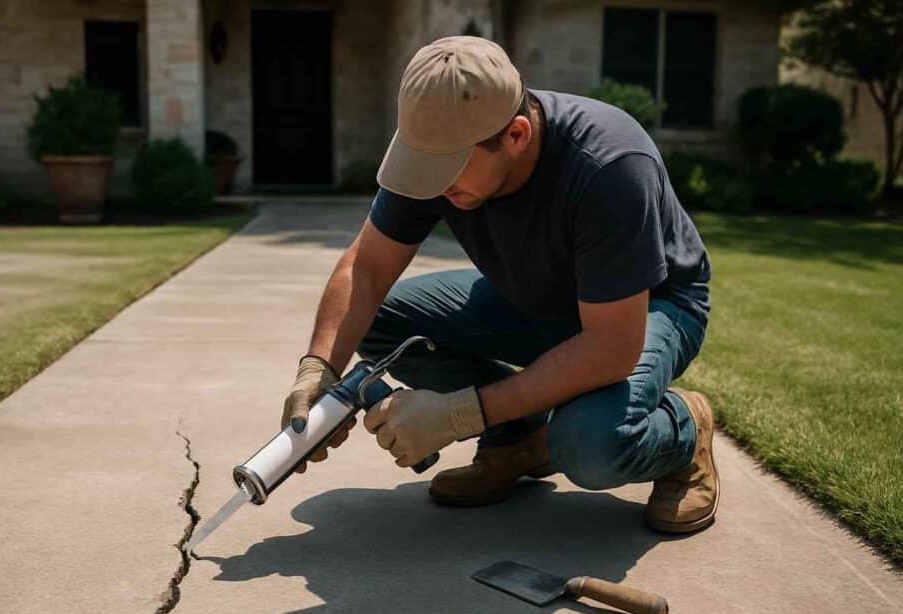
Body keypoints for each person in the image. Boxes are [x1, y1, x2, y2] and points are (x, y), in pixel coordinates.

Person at [281, 35, 718, 533]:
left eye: (447, 171)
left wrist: (459, 414)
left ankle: (684, 430)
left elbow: (612, 347)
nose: (433, 186)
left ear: (515, 134)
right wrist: (318, 370)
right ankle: (515, 440)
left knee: (591, 444)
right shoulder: (436, 145)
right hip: (533, 297)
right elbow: (368, 269)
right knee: (380, 321)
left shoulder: (609, 166)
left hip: (648, 308)